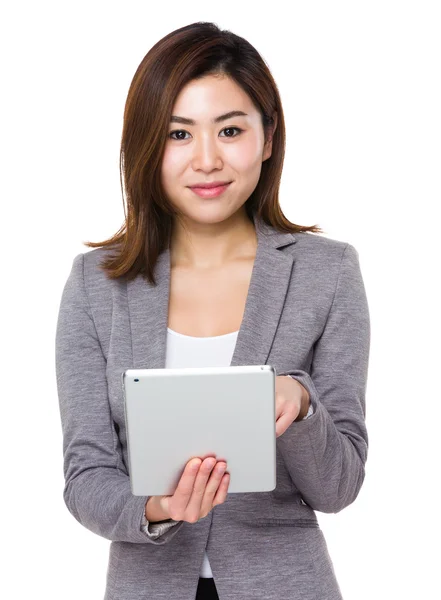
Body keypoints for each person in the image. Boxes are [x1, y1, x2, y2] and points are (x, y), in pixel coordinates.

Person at [55, 21, 370, 600]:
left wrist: (301, 405)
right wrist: (156, 506)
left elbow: (340, 485)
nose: (207, 160)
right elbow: (86, 476)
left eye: (230, 129)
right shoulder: (96, 285)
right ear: (147, 144)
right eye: (179, 134)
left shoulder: (328, 273)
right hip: (146, 585)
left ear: (267, 137)